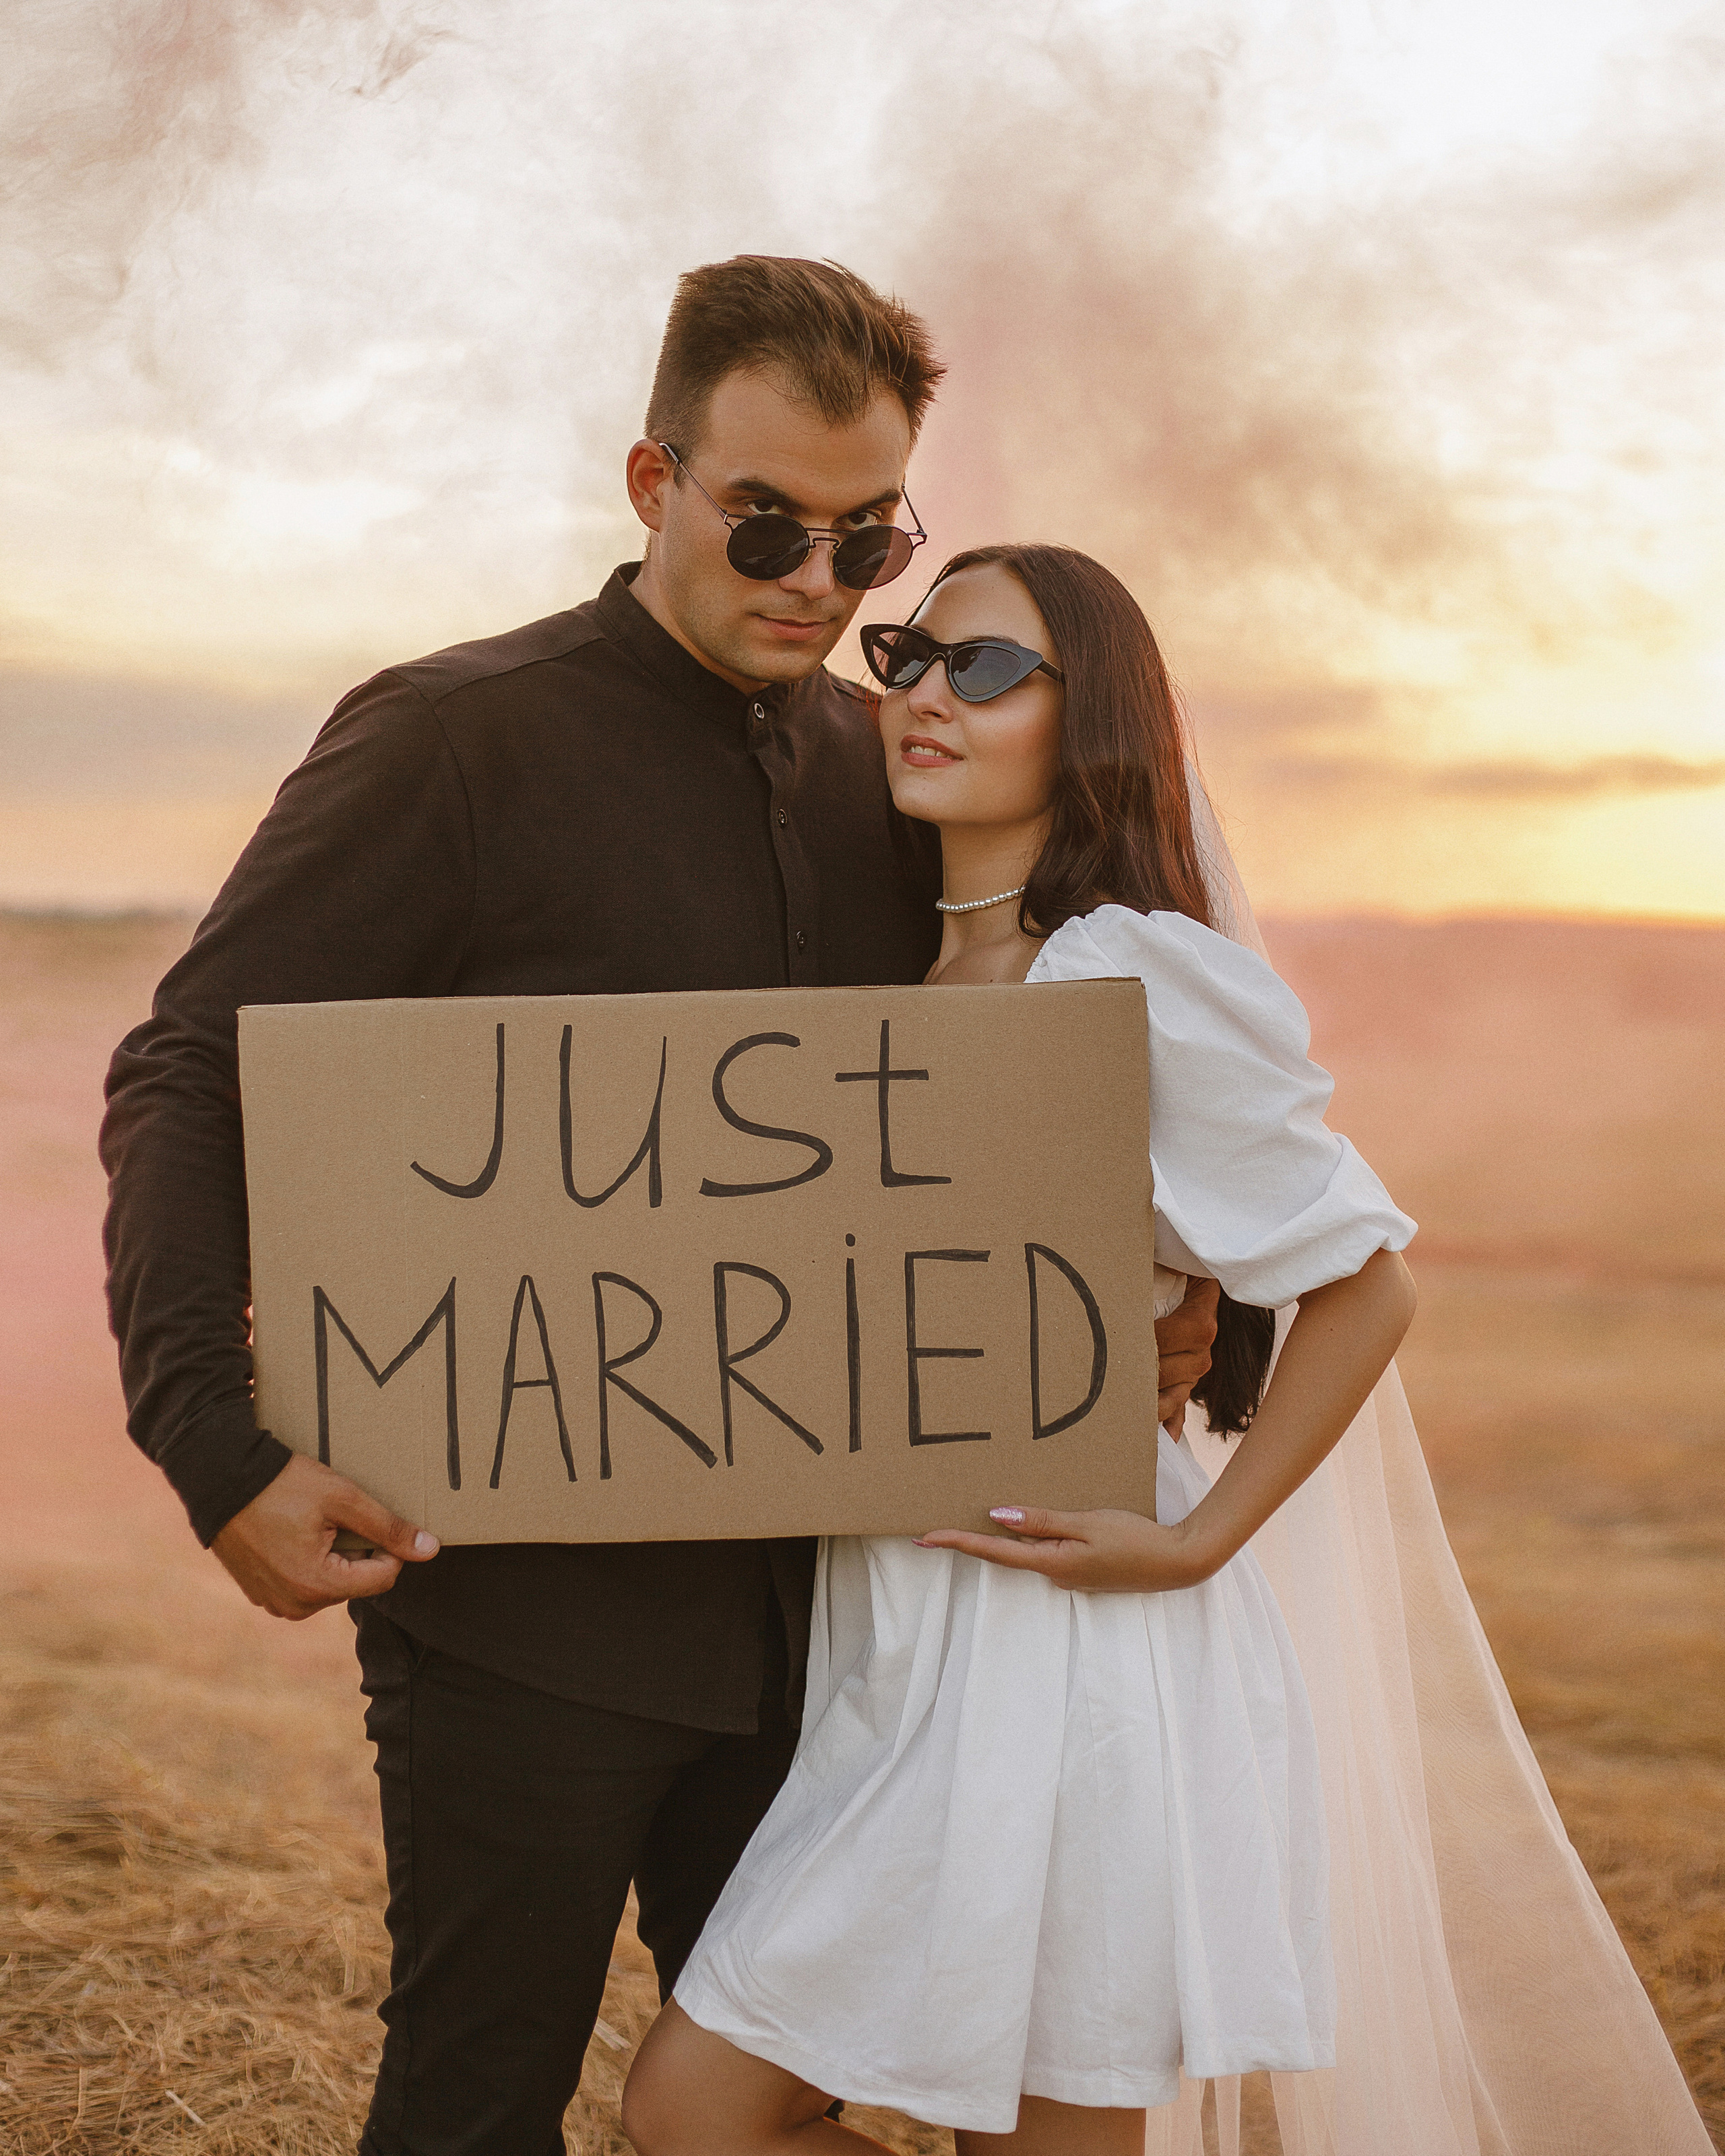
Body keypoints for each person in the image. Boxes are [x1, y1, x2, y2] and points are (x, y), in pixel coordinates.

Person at [97, 261, 1223, 2155]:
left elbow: (1025, 1084)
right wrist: (213, 1445)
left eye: (868, 541)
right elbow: (189, 1068)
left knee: (785, 2115)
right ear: (653, 480)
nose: (815, 575)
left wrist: (1167, 1317)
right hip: (521, 1616)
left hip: (849, 1623)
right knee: (477, 2103)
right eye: (767, 520)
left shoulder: (900, 769)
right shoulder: (453, 738)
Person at [621, 546, 1717, 2156]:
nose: (923, 691)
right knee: (698, 2112)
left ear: (1095, 725)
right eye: (909, 651)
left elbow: (1365, 1283)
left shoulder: (1123, 969)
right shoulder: (904, 988)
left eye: (984, 669)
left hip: (1074, 1652)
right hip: (909, 1643)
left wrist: (1199, 1540)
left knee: (713, 2111)